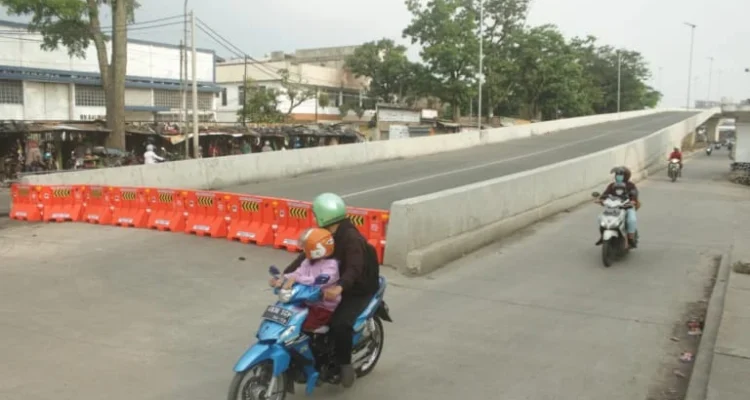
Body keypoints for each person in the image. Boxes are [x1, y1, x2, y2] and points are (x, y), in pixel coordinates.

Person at [283, 192, 380, 388]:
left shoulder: (351, 238)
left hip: (357, 288)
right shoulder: (325, 235)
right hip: (329, 285)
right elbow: (306, 256)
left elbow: (355, 268)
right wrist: (285, 276)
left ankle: (344, 366)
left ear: (322, 215)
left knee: (339, 324)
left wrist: (340, 287)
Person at [271, 228, 341, 331]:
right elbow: (298, 272)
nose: (304, 250)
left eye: (306, 247)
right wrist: (282, 278)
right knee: (282, 317)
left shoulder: (331, 266)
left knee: (304, 327)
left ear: (317, 248)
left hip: (323, 306)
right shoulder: (308, 261)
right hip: (304, 301)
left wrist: (296, 279)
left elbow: (315, 280)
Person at [595, 166, 640, 249]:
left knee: (631, 220)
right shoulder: (611, 185)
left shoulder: (630, 185)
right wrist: (601, 200)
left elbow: (634, 194)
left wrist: (633, 200)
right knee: (600, 218)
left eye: (620, 174)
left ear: (626, 175)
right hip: (613, 209)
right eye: (617, 174)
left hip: (627, 207)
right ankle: (602, 235)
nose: (618, 176)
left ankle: (631, 238)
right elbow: (605, 195)